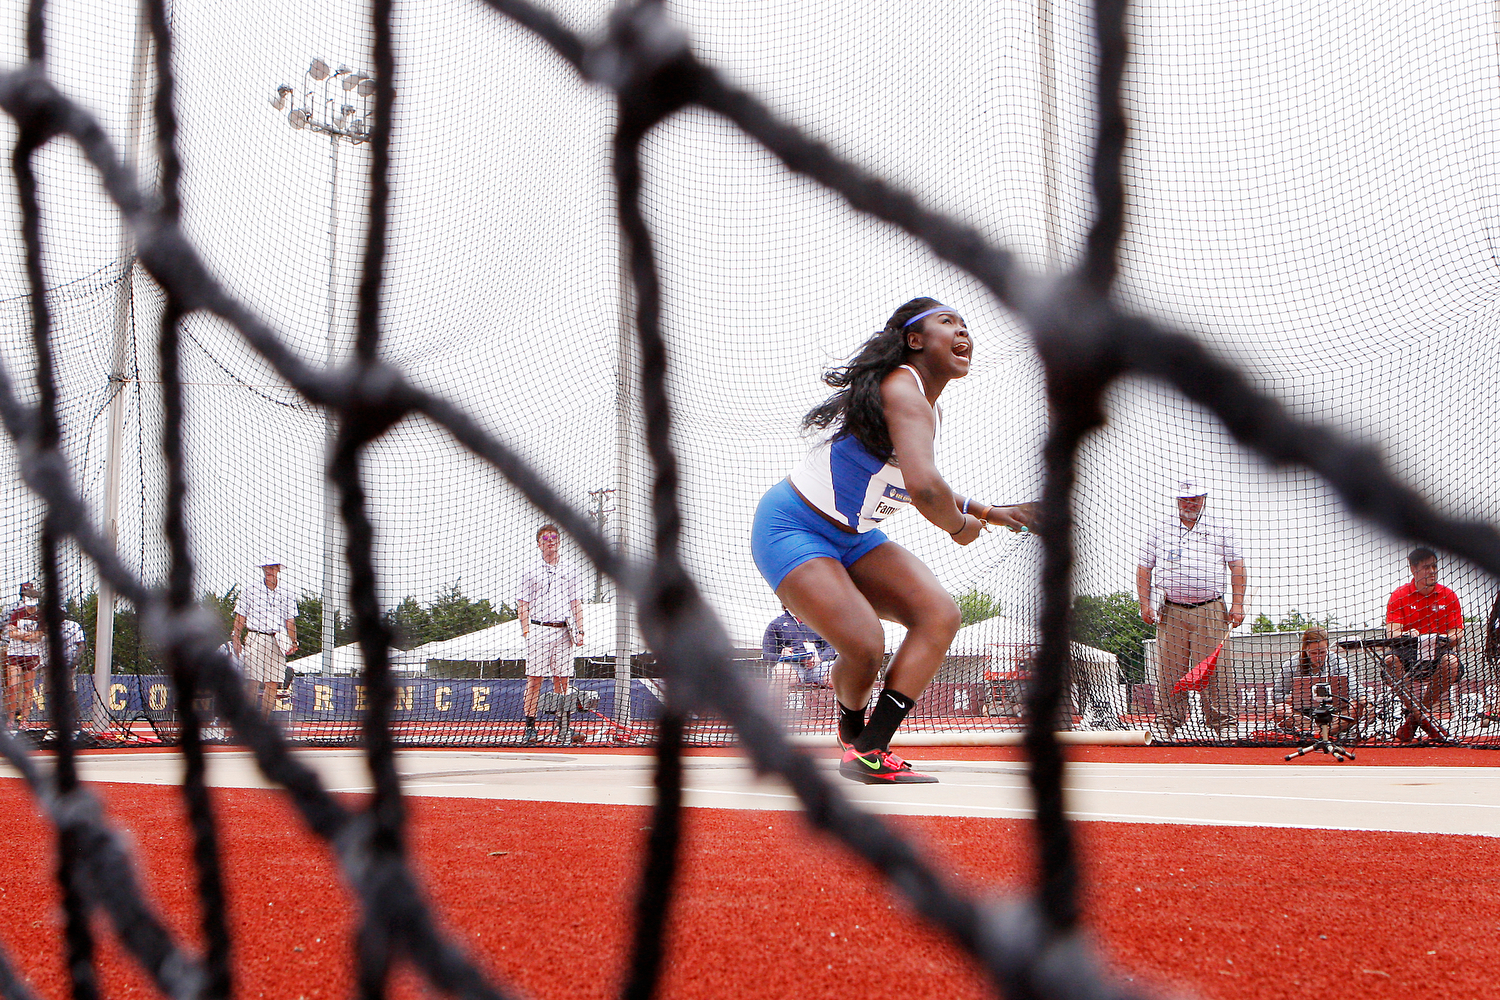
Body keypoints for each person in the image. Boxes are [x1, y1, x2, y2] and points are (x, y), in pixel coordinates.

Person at [750, 298, 1035, 784]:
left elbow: (910, 480)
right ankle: (855, 733)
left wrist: (988, 512)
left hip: (854, 536)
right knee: (864, 644)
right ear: (915, 340)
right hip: (792, 527)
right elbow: (924, 489)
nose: (963, 331)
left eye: (966, 325)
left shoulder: (925, 403)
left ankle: (868, 747)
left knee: (939, 614)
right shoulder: (903, 389)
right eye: (948, 322)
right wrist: (959, 527)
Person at [1135, 478, 1247, 736]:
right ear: (1177, 500)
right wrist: (1145, 604)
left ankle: (1224, 724)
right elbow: (1144, 568)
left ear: (1204, 499)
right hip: (1170, 609)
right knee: (1169, 668)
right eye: (1185, 498)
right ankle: (1166, 721)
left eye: (1195, 498)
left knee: (1216, 668)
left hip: (1211, 607)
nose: (1190, 503)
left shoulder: (1222, 528)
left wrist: (1237, 604)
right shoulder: (1159, 529)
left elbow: (1237, 567)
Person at [1382, 547, 1463, 742]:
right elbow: (1392, 631)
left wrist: (1445, 637)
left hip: (1437, 652)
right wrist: (1408, 635)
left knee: (1451, 662)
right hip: (1408, 654)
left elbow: (1458, 632)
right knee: (1389, 661)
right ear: (1413, 569)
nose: (1432, 571)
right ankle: (1425, 720)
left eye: (1434, 566)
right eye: (1427, 567)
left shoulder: (1449, 595)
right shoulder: (1399, 595)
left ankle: (1413, 720)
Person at [517, 523, 584, 745]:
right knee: (534, 680)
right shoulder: (529, 570)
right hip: (538, 629)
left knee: (562, 681)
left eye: (554, 537)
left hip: (563, 630)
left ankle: (563, 727)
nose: (551, 541)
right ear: (539, 544)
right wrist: (527, 631)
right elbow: (522, 604)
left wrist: (580, 629)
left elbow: (576, 602)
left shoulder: (571, 568)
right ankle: (530, 728)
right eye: (546, 538)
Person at [1271, 625, 1369, 738]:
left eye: (1322, 652)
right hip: (1303, 717)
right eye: (1313, 653)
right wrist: (1291, 698)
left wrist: (1364, 700)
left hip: (1333, 715)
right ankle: (1317, 732)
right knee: (1280, 711)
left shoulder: (1338, 662)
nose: (1318, 657)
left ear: (1327, 648)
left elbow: (1355, 688)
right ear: (1305, 650)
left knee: (1357, 707)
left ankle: (1322, 733)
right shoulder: (1292, 664)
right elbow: (1276, 694)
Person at [231, 558, 299, 719]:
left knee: (273, 683)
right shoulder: (250, 589)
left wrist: (293, 641)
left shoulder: (287, 592)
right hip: (256, 636)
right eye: (266, 568)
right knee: (252, 681)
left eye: (272, 568)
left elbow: (290, 620)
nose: (269, 571)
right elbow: (240, 615)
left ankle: (263, 721)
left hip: (278, 639)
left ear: (278, 570)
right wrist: (236, 637)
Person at [762, 606, 836, 687]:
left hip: (818, 665)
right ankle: (775, 700)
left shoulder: (818, 622)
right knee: (781, 674)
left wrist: (820, 658)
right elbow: (767, 655)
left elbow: (831, 647)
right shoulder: (775, 625)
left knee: (839, 673)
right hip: (791, 666)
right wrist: (782, 656)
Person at [4, 582, 41, 728]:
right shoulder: (17, 613)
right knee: (12, 686)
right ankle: (11, 719)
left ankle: (24, 720)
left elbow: (39, 635)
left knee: (28, 688)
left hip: (31, 654)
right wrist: (27, 635)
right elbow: (11, 632)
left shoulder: (41, 615)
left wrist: (23, 635)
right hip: (15, 653)